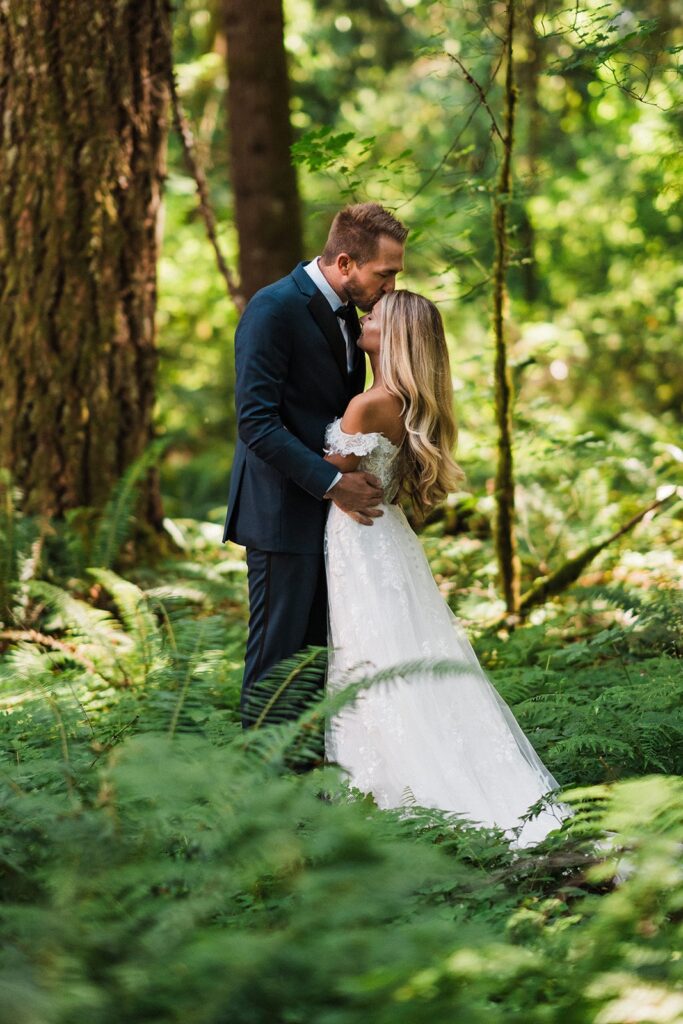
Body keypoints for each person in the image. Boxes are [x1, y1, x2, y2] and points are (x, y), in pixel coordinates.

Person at [323, 290, 567, 848]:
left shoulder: (368, 403)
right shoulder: (409, 401)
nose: (366, 316)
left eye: (377, 316)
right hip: (388, 536)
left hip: (358, 538)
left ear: (399, 337)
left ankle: (390, 791)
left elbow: (328, 472)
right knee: (397, 651)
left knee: (371, 654)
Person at [223, 203, 408, 727]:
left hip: (334, 527)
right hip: (281, 513)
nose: (391, 287)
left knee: (317, 664)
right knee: (276, 666)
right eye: (385, 274)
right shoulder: (273, 308)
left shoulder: (352, 315)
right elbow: (255, 423)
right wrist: (334, 484)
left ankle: (306, 792)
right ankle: (260, 792)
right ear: (346, 262)